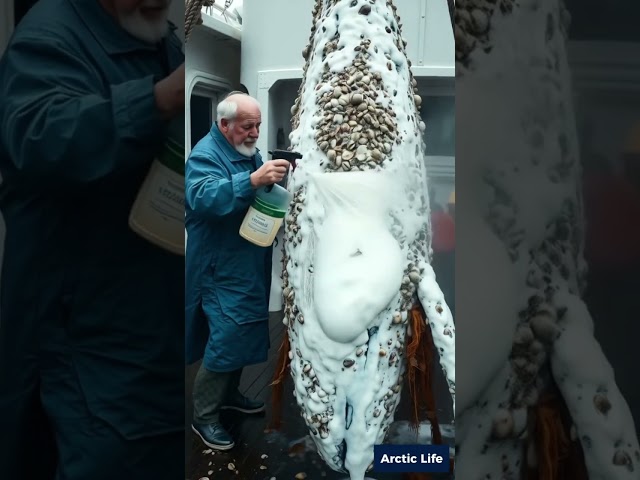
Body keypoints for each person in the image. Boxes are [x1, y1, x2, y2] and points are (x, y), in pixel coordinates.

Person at [0, 1, 185, 479]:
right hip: (90, 350)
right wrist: (159, 100)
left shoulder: (158, 37)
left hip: (149, 338)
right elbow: (37, 136)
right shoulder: (51, 33)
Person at [185, 92, 291, 450]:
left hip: (245, 261)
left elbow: (259, 190)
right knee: (227, 336)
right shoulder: (205, 154)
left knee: (244, 328)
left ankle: (229, 395)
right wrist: (253, 181)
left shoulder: (247, 152)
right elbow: (201, 197)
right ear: (224, 124)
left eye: (258, 126)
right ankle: (204, 417)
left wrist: (273, 180)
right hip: (219, 266)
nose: (255, 133)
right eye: (248, 126)